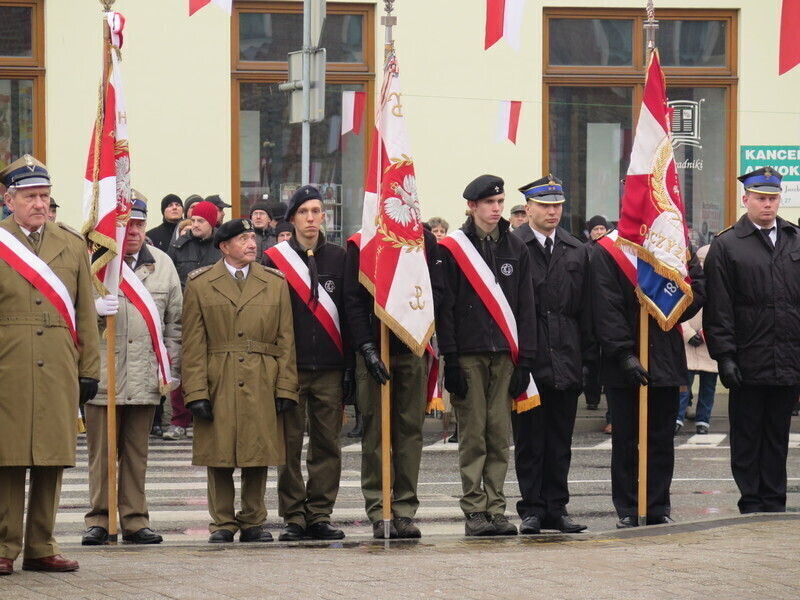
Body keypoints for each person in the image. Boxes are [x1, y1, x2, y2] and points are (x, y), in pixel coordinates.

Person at [0, 155, 101, 575]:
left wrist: (90, 369)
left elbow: (86, 312)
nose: (40, 203)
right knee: (6, 456)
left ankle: (41, 546)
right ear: (9, 200)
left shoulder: (72, 244)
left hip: (58, 363)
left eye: (44, 195)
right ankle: (3, 546)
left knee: (51, 457)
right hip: (8, 363)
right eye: (30, 196)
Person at [182, 218, 299, 543]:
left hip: (262, 376)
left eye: (252, 237)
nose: (252, 244)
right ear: (224, 246)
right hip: (218, 376)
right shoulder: (200, 283)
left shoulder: (274, 282)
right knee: (218, 454)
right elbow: (192, 343)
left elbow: (286, 339)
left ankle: (253, 521)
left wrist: (286, 386)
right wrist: (196, 391)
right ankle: (222, 522)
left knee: (257, 452)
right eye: (243, 239)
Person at [437, 174, 536, 537]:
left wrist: (525, 360)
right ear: (472, 206)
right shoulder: (453, 248)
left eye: (500, 202)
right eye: (489, 203)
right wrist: (450, 359)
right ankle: (474, 510)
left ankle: (496, 509)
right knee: (473, 436)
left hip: (505, 356)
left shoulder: (516, 247)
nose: (496, 209)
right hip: (468, 355)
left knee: (498, 435)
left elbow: (525, 306)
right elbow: (444, 308)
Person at [81, 197, 182, 546]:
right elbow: (74, 315)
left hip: (144, 375)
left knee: (137, 455)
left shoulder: (163, 264)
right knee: (101, 455)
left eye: (139, 224)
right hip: (103, 375)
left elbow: (175, 324)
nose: (134, 231)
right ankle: (100, 519)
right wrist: (93, 309)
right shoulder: (95, 264)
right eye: (127, 225)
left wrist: (168, 365)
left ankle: (135, 520)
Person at [591, 227, 704, 528]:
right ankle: (629, 508)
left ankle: (657, 506)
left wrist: (670, 300)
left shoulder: (673, 243)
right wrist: (623, 353)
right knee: (626, 441)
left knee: (660, 440)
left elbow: (697, 289)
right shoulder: (606, 250)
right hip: (623, 363)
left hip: (665, 357)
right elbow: (605, 307)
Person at [704, 167, 800, 514]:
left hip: (787, 356)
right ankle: (752, 501)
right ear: (745, 200)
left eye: (773, 198)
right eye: (760, 198)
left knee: (777, 436)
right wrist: (725, 356)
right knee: (746, 436)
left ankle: (774, 502)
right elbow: (719, 307)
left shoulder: (794, 238)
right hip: (748, 357)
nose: (768, 204)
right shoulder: (727, 244)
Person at [344, 218, 443, 539]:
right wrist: (366, 347)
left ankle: (404, 510)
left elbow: (438, 290)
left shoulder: (425, 241)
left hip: (411, 346)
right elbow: (352, 300)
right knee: (375, 434)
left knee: (409, 432)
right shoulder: (361, 242)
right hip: (374, 351)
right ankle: (379, 510)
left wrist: (419, 327)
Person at [263, 185, 351, 542]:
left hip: (330, 366)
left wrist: (349, 365)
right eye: (304, 212)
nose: (311, 218)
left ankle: (320, 514)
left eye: (316, 211)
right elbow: (267, 316)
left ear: (323, 216)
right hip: (290, 367)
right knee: (288, 445)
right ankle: (294, 515)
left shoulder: (340, 257)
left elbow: (349, 311)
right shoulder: (273, 259)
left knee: (327, 444)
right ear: (293, 218)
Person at [512, 175, 593, 534]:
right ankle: (531, 508)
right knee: (530, 441)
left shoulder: (576, 249)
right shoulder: (513, 246)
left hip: (566, 358)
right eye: (545, 206)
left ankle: (557, 508)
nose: (552, 212)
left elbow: (586, 311)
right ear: (528, 208)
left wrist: (588, 362)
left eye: (557, 206)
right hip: (528, 360)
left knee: (560, 442)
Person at [675, 244, 717, 436]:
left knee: (708, 386)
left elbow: (721, 312)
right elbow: (677, 310)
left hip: (708, 344)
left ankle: (703, 420)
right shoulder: (686, 282)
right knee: (684, 385)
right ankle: (678, 417)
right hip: (689, 342)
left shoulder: (719, 285)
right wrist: (688, 334)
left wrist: (706, 332)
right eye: (699, 261)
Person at [167, 200, 222, 288]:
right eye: (193, 220)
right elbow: (168, 279)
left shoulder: (222, 246)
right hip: (186, 295)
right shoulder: (179, 246)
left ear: (211, 223)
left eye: (200, 221)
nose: (195, 225)